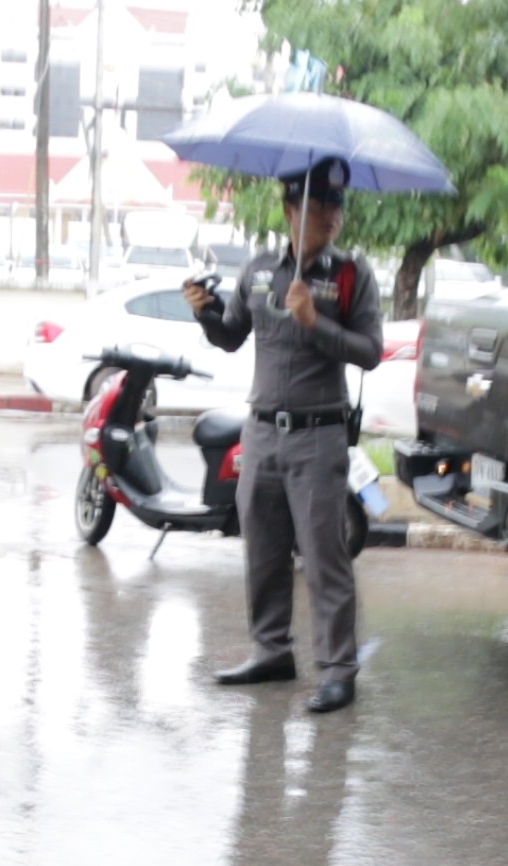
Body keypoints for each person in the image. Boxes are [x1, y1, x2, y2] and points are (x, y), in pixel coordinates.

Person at [184, 156, 384, 713]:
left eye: (336, 208)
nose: (331, 218)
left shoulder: (351, 275)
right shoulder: (259, 269)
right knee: (264, 550)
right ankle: (271, 651)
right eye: (319, 207)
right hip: (263, 430)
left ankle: (338, 668)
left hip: (318, 435)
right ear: (290, 208)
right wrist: (204, 312)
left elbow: (370, 351)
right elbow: (230, 336)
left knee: (324, 556)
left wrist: (315, 323)